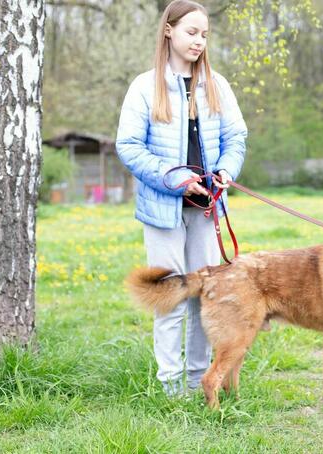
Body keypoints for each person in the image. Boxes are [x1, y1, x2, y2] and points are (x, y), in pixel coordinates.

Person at [115, 0, 247, 395]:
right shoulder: (144, 85)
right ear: (169, 31)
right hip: (164, 210)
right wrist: (175, 178)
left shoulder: (216, 85)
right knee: (171, 294)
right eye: (192, 32)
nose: (199, 42)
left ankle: (198, 381)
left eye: (205, 34)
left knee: (204, 296)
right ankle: (171, 388)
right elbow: (129, 146)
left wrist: (226, 170)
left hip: (206, 210)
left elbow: (235, 137)